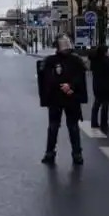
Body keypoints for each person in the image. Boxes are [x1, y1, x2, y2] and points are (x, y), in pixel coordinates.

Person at [40, 34, 86, 165]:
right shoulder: (51, 61)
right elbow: (48, 78)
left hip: (72, 97)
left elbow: (80, 76)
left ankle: (77, 153)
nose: (66, 47)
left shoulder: (75, 60)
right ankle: (49, 153)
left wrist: (71, 86)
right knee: (53, 127)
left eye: (67, 44)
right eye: (63, 45)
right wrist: (62, 86)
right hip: (56, 98)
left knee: (73, 127)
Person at [88, 44, 109, 134]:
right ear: (105, 52)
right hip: (105, 85)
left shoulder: (94, 60)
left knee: (97, 103)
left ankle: (94, 122)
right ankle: (104, 124)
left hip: (96, 84)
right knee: (105, 105)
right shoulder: (106, 61)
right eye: (107, 51)